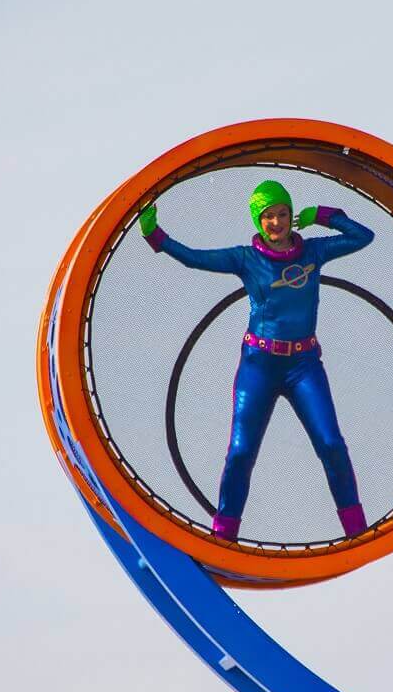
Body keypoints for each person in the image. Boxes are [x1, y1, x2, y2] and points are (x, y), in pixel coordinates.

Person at [139, 180, 373, 541]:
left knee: (330, 443)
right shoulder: (246, 259)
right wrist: (155, 234)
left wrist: (325, 216)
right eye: (268, 217)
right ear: (257, 221)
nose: (277, 223)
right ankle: (224, 535)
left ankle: (357, 529)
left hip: (303, 364)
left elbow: (363, 237)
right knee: (241, 451)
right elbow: (194, 258)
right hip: (259, 365)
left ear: (291, 215)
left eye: (282, 214)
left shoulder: (313, 252)